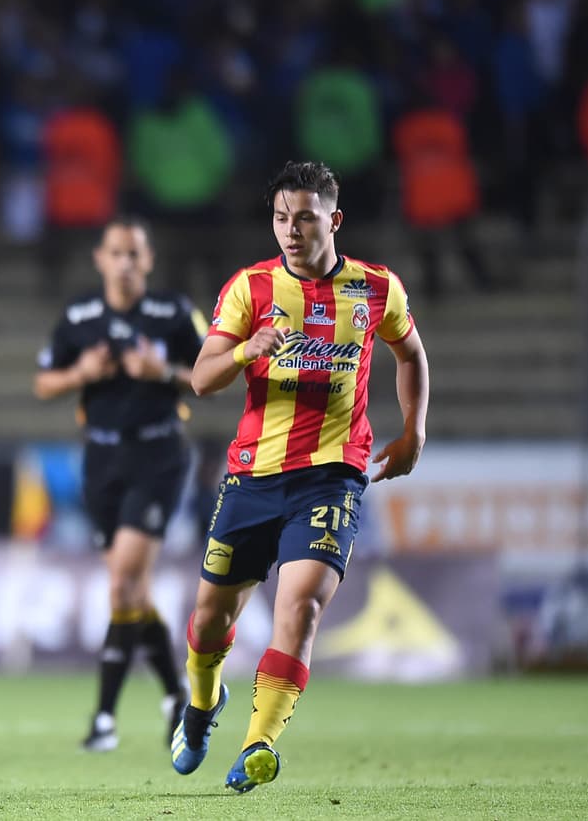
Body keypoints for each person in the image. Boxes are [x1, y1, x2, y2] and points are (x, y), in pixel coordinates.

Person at [170, 161, 428, 793]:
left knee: (302, 605)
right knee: (209, 620)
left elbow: (410, 353)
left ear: (333, 220)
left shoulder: (376, 288)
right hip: (253, 477)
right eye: (282, 218)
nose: (291, 230)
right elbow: (201, 379)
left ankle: (258, 743)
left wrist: (413, 431)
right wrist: (245, 350)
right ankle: (202, 704)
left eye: (305, 218)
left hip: (332, 477)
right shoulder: (250, 288)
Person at [33, 216, 207, 752]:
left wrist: (164, 372)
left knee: (122, 583)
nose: (125, 263)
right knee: (133, 590)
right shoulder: (79, 316)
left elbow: (213, 376)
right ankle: (176, 693)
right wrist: (81, 374)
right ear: (100, 259)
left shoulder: (174, 312)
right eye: (116, 253)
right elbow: (44, 382)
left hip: (158, 454)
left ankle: (104, 718)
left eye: (135, 253)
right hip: (102, 458)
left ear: (148, 260)